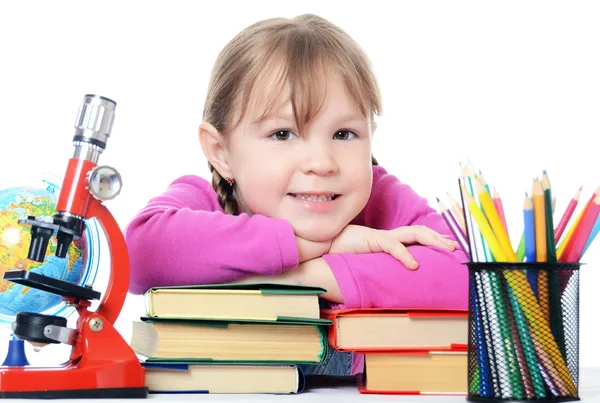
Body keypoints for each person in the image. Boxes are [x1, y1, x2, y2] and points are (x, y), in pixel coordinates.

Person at [125, 14, 468, 377]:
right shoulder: (201, 199)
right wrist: (324, 243)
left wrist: (306, 274)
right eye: (283, 134)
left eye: (344, 134)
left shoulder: (381, 199)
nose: (321, 163)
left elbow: (471, 275)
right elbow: (139, 253)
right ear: (221, 151)